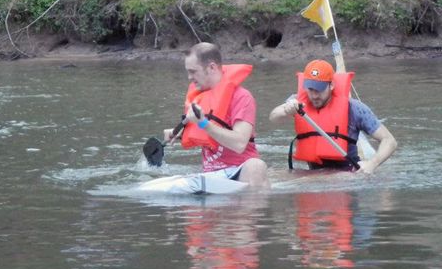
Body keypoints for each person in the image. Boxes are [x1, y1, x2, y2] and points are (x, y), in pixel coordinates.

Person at [161, 42, 270, 188]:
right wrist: (180, 133)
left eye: (193, 71)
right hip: (210, 175)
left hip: (238, 172)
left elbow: (239, 144)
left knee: (256, 166)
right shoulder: (199, 98)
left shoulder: (242, 97)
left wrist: (204, 124)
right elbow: (204, 132)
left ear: (211, 67)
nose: (189, 77)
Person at [268, 58, 397, 175]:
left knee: (306, 180)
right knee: (268, 175)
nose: (314, 95)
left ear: (331, 85)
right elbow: (273, 117)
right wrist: (286, 110)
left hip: (346, 173)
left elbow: (389, 141)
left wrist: (372, 164)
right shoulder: (298, 102)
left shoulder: (354, 108)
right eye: (310, 89)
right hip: (313, 172)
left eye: (319, 89)